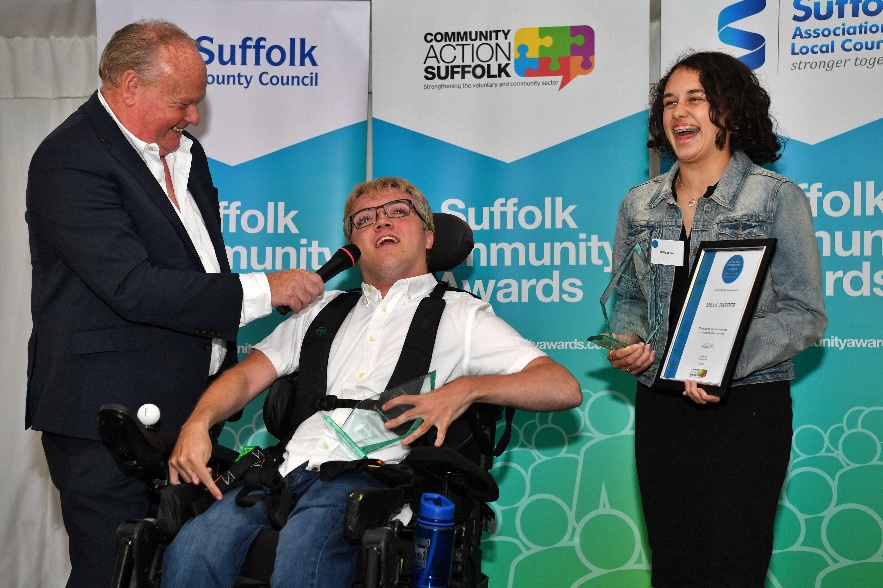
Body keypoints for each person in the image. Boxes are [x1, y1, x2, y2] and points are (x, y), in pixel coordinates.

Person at [162, 176, 583, 587]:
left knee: (305, 548)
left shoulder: (461, 315)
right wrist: (197, 423)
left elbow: (561, 386)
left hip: (377, 475)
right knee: (195, 545)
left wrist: (466, 388)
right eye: (364, 220)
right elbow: (244, 376)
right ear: (352, 249)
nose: (381, 223)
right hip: (289, 470)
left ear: (429, 236)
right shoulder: (318, 310)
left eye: (398, 212)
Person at [25, 20, 324, 588]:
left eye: (197, 103)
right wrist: (265, 289)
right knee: (113, 574)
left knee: (182, 570)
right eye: (183, 102)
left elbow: (196, 269)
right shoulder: (69, 160)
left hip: (186, 417)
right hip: (104, 422)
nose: (193, 117)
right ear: (130, 85)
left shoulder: (189, 155)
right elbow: (132, 287)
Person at [604, 51, 827, 587]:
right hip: (662, 407)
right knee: (674, 562)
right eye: (669, 102)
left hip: (747, 407)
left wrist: (722, 365)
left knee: (733, 563)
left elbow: (804, 313)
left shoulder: (775, 197)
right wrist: (630, 339)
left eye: (696, 99)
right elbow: (629, 298)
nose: (679, 112)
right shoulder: (639, 204)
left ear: (730, 110)